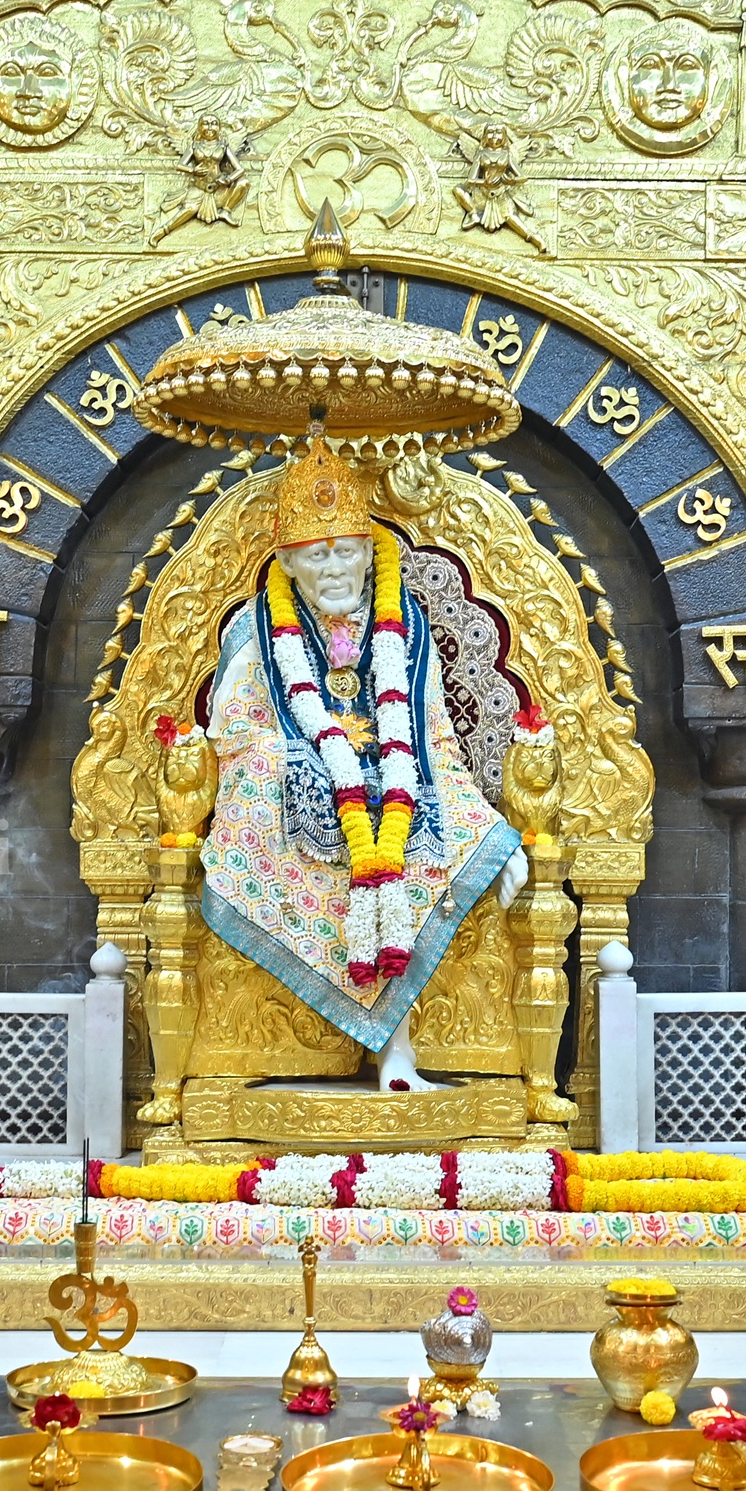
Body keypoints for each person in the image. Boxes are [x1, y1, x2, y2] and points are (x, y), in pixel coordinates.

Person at [198, 443, 523, 1092]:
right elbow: (234, 734)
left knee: (471, 841)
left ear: (370, 553)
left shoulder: (405, 625)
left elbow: (434, 737)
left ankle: (398, 1051)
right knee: (257, 801)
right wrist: (308, 762)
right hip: (295, 795)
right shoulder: (257, 631)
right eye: (318, 555)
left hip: (402, 785)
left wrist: (493, 829)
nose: (335, 568)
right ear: (287, 562)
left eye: (346, 551)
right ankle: (282, 1050)